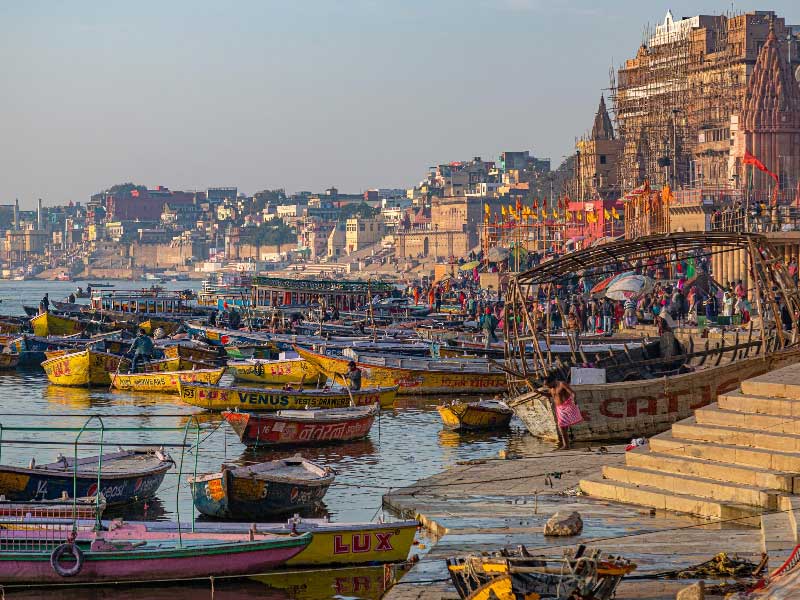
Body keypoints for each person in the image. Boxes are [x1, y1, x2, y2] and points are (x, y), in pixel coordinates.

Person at [545, 374, 583, 449]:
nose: (547, 387)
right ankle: (566, 445)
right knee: (562, 427)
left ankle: (566, 445)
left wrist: (574, 399)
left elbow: (572, 393)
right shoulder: (551, 388)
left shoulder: (562, 384)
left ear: (553, 381)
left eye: (548, 385)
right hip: (559, 408)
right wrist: (540, 393)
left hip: (568, 406)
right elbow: (551, 395)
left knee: (562, 427)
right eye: (546, 385)